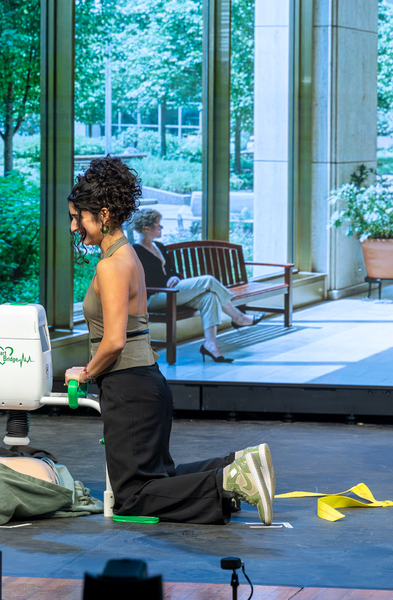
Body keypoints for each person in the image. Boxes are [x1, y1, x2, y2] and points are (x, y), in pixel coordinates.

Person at [64, 158, 274, 525]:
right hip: (145, 383)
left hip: (128, 387)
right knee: (153, 480)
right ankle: (236, 465)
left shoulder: (111, 266)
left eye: (77, 217)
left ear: (103, 214)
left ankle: (230, 478)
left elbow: (113, 341)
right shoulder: (127, 255)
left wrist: (84, 373)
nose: (73, 226)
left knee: (132, 497)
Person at [130, 209, 264, 363]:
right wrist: (165, 283)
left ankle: (210, 344)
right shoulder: (135, 252)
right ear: (146, 229)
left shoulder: (159, 246)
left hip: (171, 292)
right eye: (158, 226)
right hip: (153, 297)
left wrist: (174, 277)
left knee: (210, 296)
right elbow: (141, 282)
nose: (161, 228)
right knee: (208, 280)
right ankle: (238, 316)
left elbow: (172, 271)